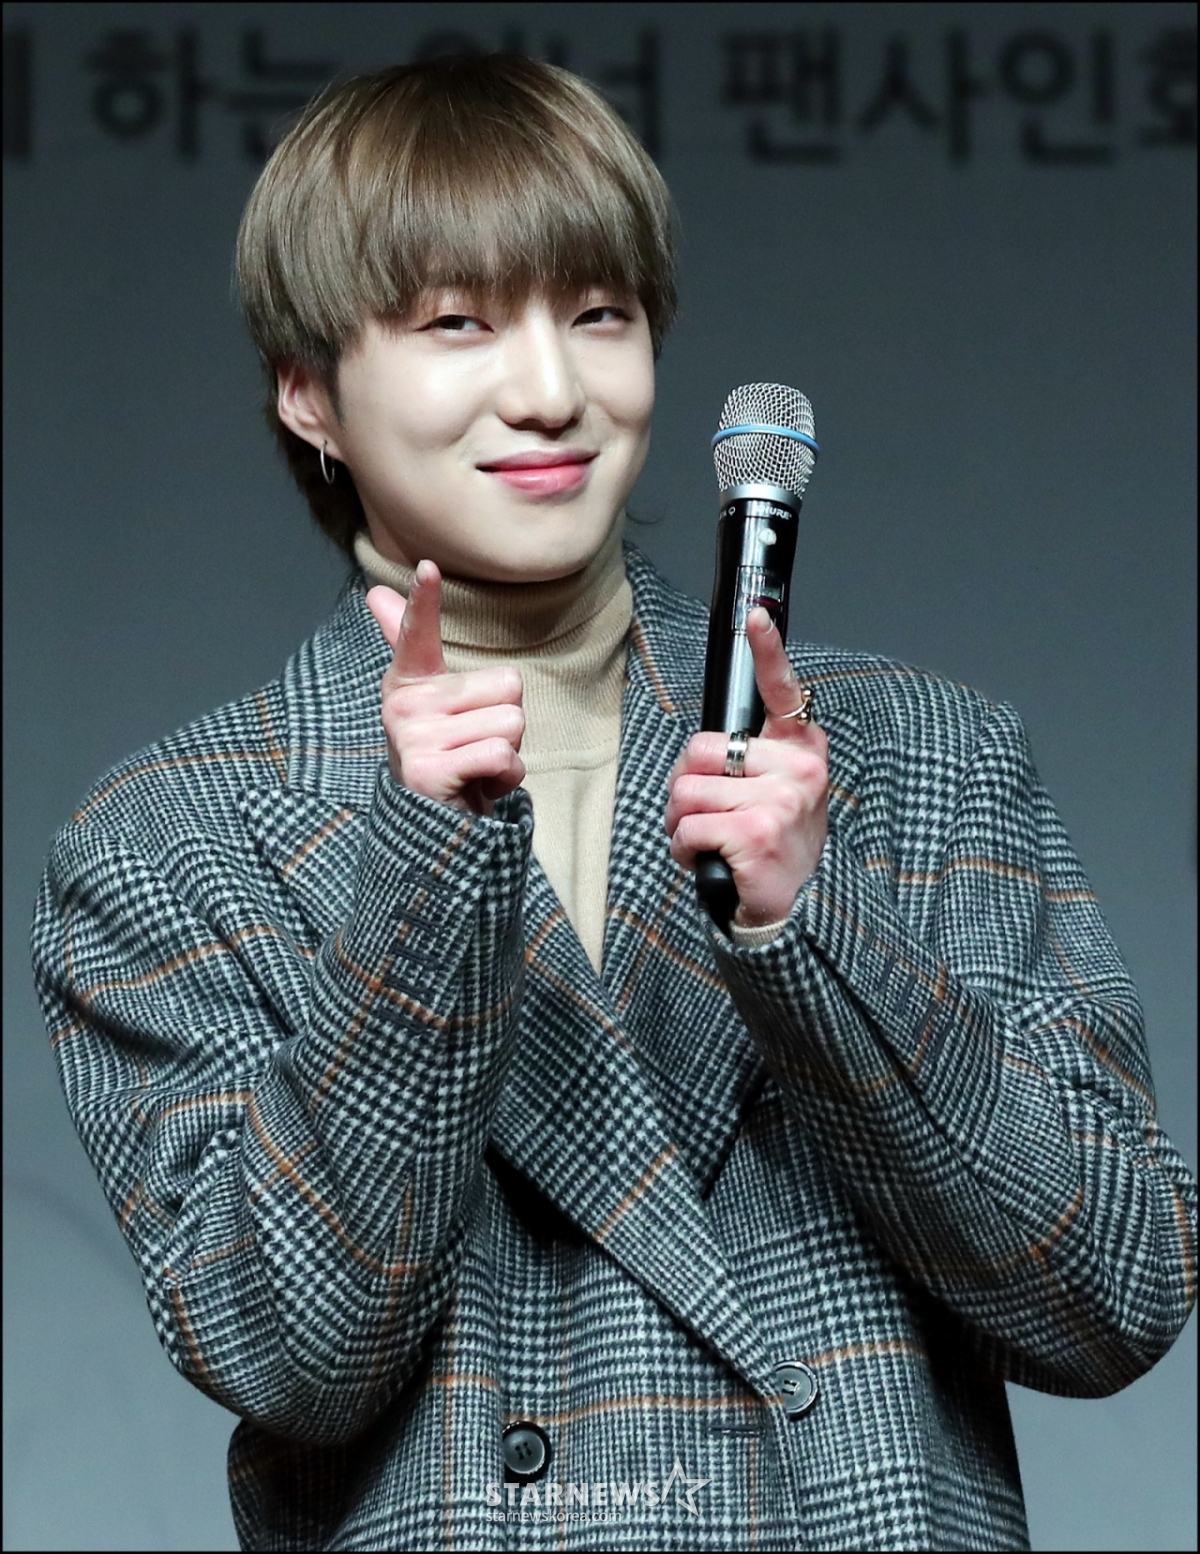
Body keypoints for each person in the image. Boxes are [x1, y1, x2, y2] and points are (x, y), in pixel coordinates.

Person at [31, 53, 1196, 1554]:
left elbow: (1116, 1296)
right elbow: (289, 1355)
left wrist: (814, 927)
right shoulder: (166, 842)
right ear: (310, 393)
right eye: (457, 322)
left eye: (598, 314)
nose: (551, 391)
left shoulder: (919, 755)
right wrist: (426, 867)